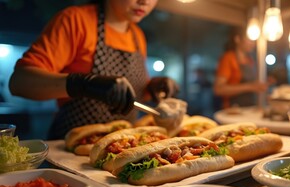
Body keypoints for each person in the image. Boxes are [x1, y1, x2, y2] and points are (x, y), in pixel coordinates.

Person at [8, 0, 178, 140]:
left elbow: (128, 94)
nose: (145, 2)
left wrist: (153, 88)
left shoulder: (137, 35)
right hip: (72, 147)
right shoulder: (76, 20)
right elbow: (20, 82)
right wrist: (82, 84)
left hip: (122, 145)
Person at [213, 26, 274, 109]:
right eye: (249, 39)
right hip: (232, 109)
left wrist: (263, 83)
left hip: (250, 108)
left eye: (254, 40)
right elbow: (218, 89)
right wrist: (250, 86)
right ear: (237, 39)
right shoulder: (228, 58)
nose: (252, 43)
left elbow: (254, 84)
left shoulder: (250, 60)